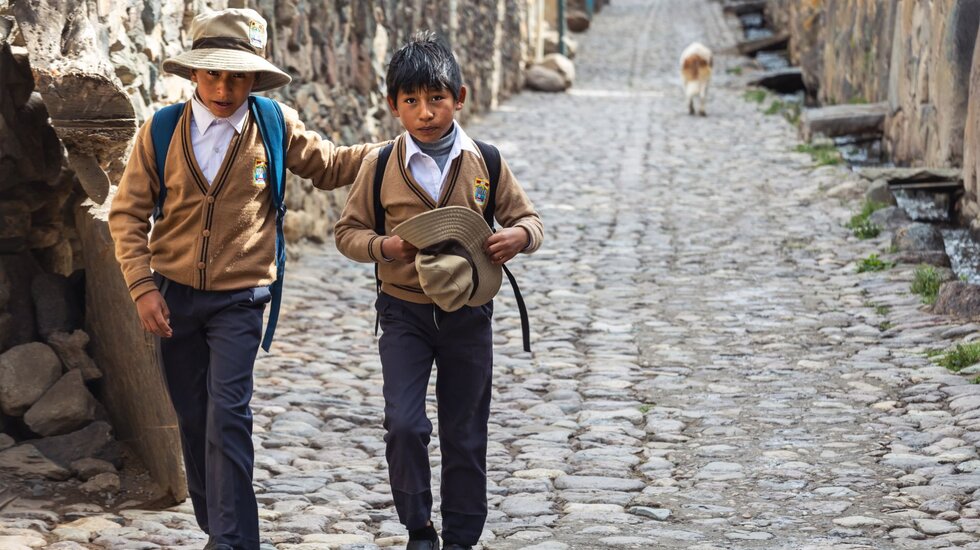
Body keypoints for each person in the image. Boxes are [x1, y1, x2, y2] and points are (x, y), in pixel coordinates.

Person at [108, 8, 379, 550]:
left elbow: (328, 164)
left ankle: (234, 539)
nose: (225, 87)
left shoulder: (273, 125)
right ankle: (217, 524)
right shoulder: (161, 131)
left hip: (241, 299)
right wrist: (142, 287)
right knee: (192, 415)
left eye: (237, 75)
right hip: (173, 298)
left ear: (254, 78)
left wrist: (393, 150)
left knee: (228, 412)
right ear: (194, 75)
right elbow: (128, 214)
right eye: (214, 74)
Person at [334, 31, 544, 550]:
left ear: (460, 98)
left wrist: (517, 237)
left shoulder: (486, 161)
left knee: (466, 432)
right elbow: (347, 233)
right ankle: (419, 528)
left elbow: (529, 220)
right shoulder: (379, 165)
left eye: (436, 98)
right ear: (393, 106)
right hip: (403, 313)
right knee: (404, 424)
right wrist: (385, 246)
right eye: (412, 101)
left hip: (468, 315)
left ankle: (462, 539)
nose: (425, 112)